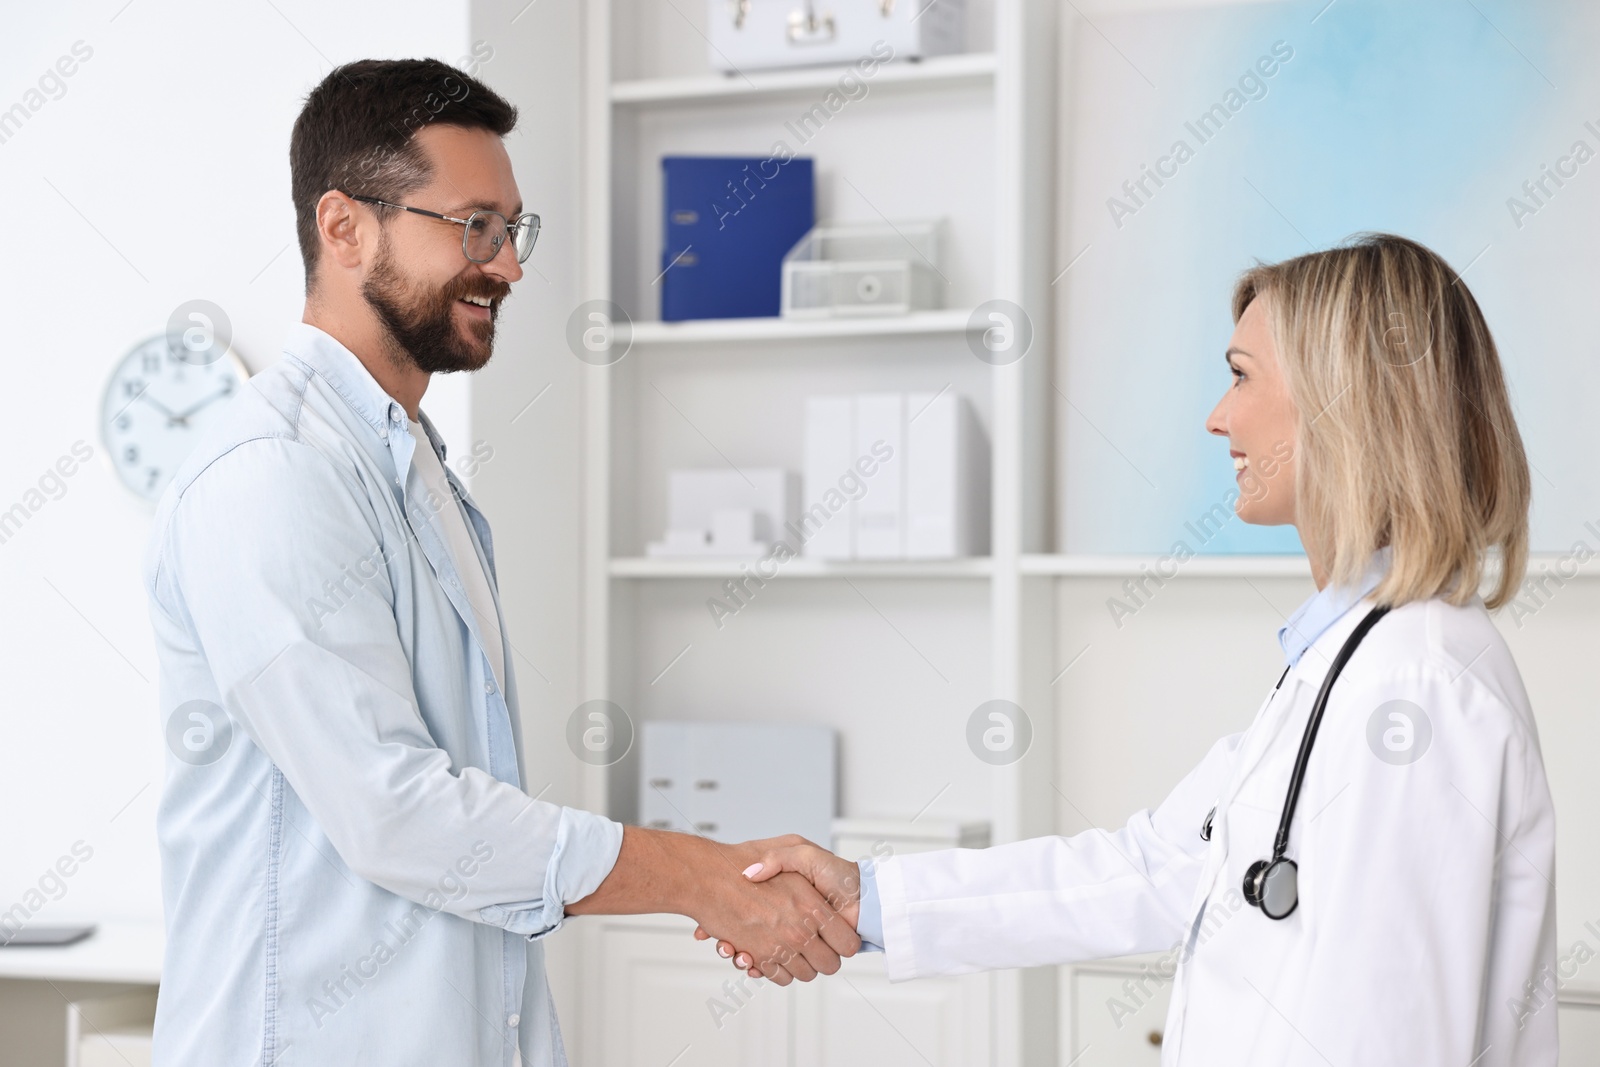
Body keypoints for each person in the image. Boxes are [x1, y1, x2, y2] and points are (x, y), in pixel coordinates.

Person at [141, 59, 856, 1067]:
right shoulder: (272, 473)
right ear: (344, 227)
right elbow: (400, 814)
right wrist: (702, 878)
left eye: (513, 230)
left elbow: (468, 840)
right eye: (474, 225)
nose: (509, 266)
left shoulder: (419, 469)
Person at [702, 233, 1558, 1065]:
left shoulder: (1410, 687)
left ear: (1345, 401)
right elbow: (1152, 866)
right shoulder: (1346, 660)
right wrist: (870, 897)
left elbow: (1386, 1035)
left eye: (1240, 376)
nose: (1218, 418)